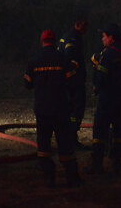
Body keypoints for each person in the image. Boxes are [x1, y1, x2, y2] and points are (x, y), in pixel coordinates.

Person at [24, 29, 82, 188]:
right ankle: (72, 178)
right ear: (55, 42)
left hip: (42, 109)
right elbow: (73, 83)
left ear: (42, 42)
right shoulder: (63, 59)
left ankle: (49, 178)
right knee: (65, 143)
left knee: (43, 145)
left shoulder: (34, 61)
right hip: (61, 108)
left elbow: (27, 84)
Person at [86, 23, 121, 175]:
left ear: (111, 38)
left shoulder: (108, 54)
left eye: (104, 36)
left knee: (99, 130)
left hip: (107, 98)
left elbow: (102, 76)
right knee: (118, 132)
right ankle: (116, 163)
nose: (102, 39)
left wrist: (96, 86)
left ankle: (97, 164)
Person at [58, 18, 88, 148]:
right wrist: (73, 71)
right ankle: (71, 138)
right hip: (73, 81)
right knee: (76, 109)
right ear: (78, 24)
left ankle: (69, 138)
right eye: (85, 26)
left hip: (69, 80)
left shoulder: (69, 36)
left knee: (71, 108)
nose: (86, 29)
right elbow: (69, 57)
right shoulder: (73, 38)